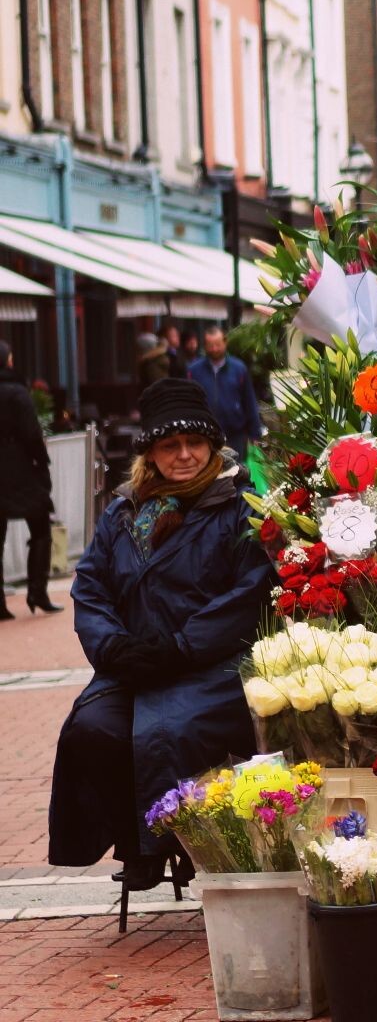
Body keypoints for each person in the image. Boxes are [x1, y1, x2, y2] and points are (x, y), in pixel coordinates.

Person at [48, 378, 275, 889]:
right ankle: (135, 844)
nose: (185, 455)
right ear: (151, 453)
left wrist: (180, 647)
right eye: (170, 445)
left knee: (168, 731)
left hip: (210, 665)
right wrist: (113, 647)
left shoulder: (240, 506)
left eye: (195, 443)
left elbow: (249, 589)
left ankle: (171, 845)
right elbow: (90, 588)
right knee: (91, 730)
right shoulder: (124, 510)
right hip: (132, 665)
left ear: (212, 446)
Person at [0, 341, 62, 619]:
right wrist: (41, 461)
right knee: (40, 528)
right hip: (21, 469)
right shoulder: (17, 391)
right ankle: (38, 591)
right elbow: (31, 433)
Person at [189, 325, 262, 460]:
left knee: (236, 473)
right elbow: (188, 402)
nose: (215, 349)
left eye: (218, 344)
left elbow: (249, 400)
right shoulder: (194, 370)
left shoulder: (239, 368)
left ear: (225, 342)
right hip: (205, 434)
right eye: (210, 345)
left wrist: (255, 433)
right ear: (205, 346)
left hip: (235, 434)